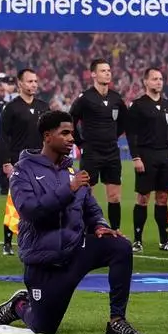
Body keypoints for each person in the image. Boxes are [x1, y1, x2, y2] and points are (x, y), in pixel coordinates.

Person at [0, 110, 145, 334]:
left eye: (72, 133)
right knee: (44, 327)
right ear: (47, 136)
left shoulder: (72, 170)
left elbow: (90, 208)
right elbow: (31, 211)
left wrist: (100, 226)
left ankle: (117, 321)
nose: (72, 138)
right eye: (65, 133)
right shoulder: (22, 171)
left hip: (75, 250)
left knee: (120, 247)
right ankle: (19, 306)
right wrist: (69, 188)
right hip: (44, 260)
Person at [124, 68, 168, 253]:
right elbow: (131, 133)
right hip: (145, 155)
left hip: (164, 156)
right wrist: (135, 157)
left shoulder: (167, 105)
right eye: (155, 79)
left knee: (162, 199)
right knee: (143, 198)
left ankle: (164, 241)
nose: (159, 82)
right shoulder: (138, 105)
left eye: (161, 79)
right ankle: (137, 241)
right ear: (146, 82)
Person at [69, 58, 128, 231]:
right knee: (88, 193)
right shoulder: (85, 98)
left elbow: (125, 121)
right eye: (103, 70)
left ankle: (115, 231)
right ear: (93, 74)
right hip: (92, 152)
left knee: (115, 196)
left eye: (109, 70)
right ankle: (88, 231)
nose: (107, 73)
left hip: (111, 152)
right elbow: (70, 120)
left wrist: (112, 136)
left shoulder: (116, 98)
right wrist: (80, 143)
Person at [0, 68, 49, 255]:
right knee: (15, 201)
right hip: (19, 161)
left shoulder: (44, 107)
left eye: (35, 81)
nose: (34, 84)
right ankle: (7, 242)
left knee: (42, 201)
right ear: (20, 83)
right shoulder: (11, 108)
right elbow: (4, 137)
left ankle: (39, 239)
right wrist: (6, 162)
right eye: (29, 81)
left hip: (41, 161)